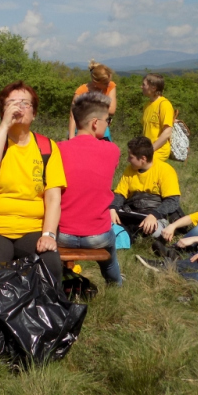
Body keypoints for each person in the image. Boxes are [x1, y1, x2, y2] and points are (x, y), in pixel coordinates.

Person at [0, 81, 66, 283]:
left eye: (25, 103)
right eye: (11, 103)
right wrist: (5, 126)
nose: (18, 107)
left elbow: (53, 198)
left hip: (33, 226)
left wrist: (49, 234)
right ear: (2, 112)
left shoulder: (47, 147)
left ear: (34, 113)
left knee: (50, 266)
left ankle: (48, 304)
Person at [58, 93, 122, 285]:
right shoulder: (112, 150)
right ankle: (115, 285)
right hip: (98, 236)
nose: (108, 124)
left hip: (62, 234)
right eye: (107, 120)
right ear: (95, 123)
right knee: (110, 260)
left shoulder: (57, 149)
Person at [110, 137, 182, 240]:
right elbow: (120, 194)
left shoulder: (165, 170)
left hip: (156, 214)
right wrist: (113, 208)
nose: (128, 160)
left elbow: (172, 201)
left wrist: (154, 215)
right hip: (132, 211)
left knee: (155, 231)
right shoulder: (129, 170)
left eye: (131, 157)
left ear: (143, 159)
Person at [67, 60, 117, 141]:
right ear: (95, 82)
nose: (108, 84)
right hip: (83, 130)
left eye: (108, 81)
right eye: (105, 83)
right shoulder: (81, 91)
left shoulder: (111, 86)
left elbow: (112, 110)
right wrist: (71, 137)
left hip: (102, 130)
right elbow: (73, 115)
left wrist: (87, 109)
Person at [141, 73, 174, 162]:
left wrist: (151, 150)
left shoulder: (164, 105)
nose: (141, 87)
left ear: (153, 88)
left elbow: (167, 132)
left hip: (158, 151)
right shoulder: (147, 105)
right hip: (147, 150)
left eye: (144, 85)